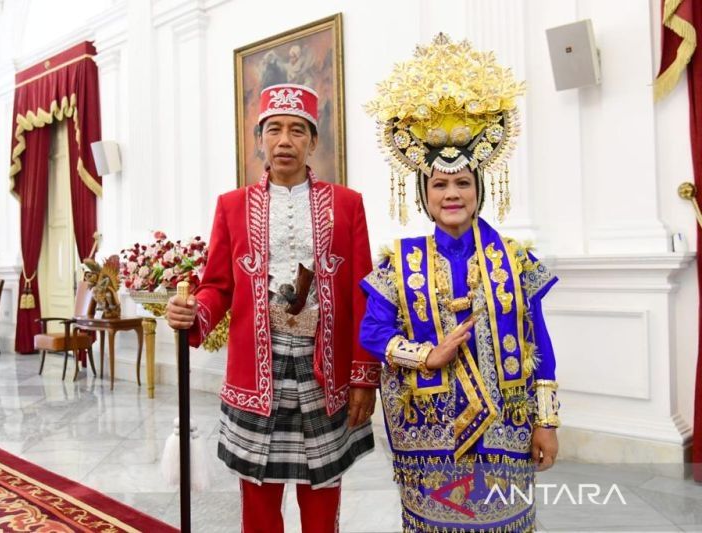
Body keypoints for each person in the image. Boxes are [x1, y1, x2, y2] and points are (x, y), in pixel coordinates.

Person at [360, 34, 560, 533]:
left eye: (463, 182)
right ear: (424, 196)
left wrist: (547, 421)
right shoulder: (397, 263)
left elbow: (540, 342)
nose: (452, 193)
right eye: (440, 184)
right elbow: (372, 333)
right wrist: (425, 355)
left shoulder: (514, 260)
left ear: (480, 190)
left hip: (507, 428)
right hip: (429, 431)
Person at [167, 83, 380, 533]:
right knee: (259, 498)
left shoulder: (347, 205)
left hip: (326, 372)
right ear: (260, 139)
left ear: (313, 142)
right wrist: (195, 314)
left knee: (322, 494)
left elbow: (364, 293)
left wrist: (364, 377)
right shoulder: (231, 207)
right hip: (257, 375)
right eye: (275, 130)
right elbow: (218, 287)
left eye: (297, 131)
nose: (285, 140)